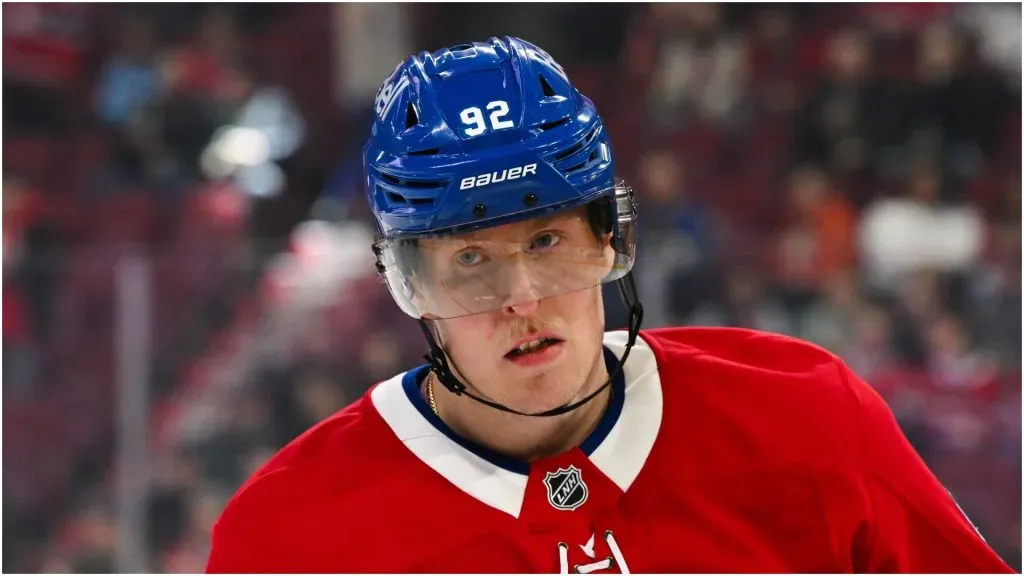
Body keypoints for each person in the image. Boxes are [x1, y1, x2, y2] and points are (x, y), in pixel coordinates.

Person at [206, 37, 1011, 573]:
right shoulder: (287, 538)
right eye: (472, 261)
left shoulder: (810, 419)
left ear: (608, 241)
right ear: (412, 285)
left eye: (549, 243)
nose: (522, 299)